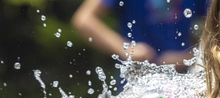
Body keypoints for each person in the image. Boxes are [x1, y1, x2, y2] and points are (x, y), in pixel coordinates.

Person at [72, 0, 208, 71]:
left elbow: (219, 30)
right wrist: (127, 49)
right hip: (135, 81)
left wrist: (186, 58)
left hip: (183, 79)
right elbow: (84, 20)